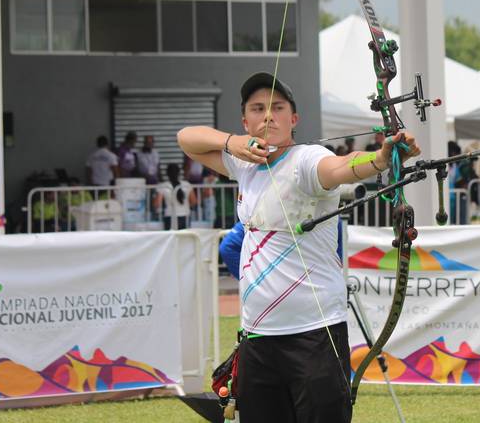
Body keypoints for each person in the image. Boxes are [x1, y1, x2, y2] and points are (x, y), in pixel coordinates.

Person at [177, 71, 419, 423]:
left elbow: (338, 167)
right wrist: (233, 142)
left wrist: (380, 159)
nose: (268, 116)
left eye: (277, 107)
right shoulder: (244, 165)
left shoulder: (305, 160)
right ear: (246, 121)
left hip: (314, 337)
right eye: (257, 109)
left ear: (294, 119)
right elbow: (186, 138)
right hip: (257, 338)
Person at [153, 163, 197, 230]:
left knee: (171, 238)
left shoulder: (163, 186)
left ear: (167, 173)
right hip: (185, 215)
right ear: (179, 173)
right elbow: (194, 201)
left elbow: (157, 204)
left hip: (169, 216)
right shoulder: (187, 185)